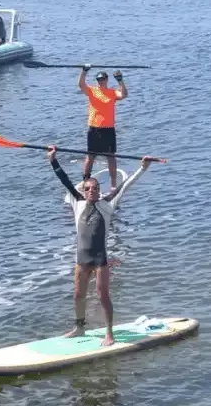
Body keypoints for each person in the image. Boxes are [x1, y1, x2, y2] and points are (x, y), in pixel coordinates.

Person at [47, 146, 153, 346]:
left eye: (95, 189)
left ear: (99, 191)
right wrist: (53, 160)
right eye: (87, 189)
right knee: (78, 295)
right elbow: (64, 180)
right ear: (83, 191)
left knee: (102, 296)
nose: (91, 192)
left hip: (99, 261)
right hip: (81, 260)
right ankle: (79, 328)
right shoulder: (76, 202)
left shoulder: (107, 204)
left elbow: (126, 185)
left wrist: (143, 168)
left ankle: (109, 333)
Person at [79, 67, 128, 191]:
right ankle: (85, 181)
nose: (100, 81)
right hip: (94, 128)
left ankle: (113, 184)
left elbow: (124, 94)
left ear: (107, 80)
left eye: (103, 79)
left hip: (108, 129)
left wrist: (120, 81)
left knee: (111, 156)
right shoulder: (92, 90)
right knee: (90, 157)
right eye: (99, 79)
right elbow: (81, 85)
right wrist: (84, 71)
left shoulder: (112, 92)